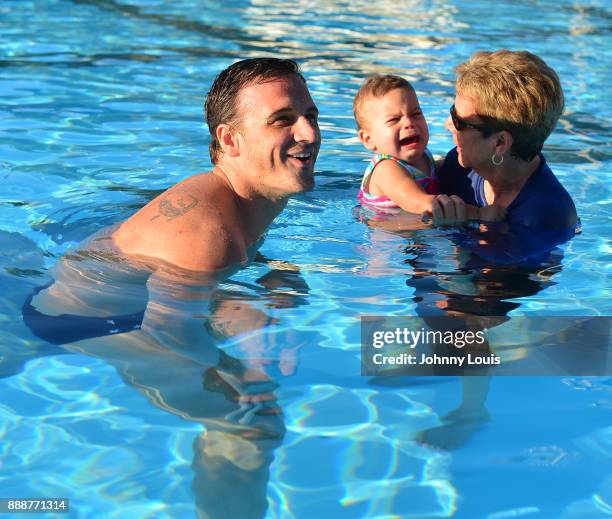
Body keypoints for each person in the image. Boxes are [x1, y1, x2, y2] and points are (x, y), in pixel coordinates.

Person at [433, 50, 577, 235]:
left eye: (459, 121)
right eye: (453, 111)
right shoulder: (463, 163)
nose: (448, 124)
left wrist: (450, 229)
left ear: (500, 142)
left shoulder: (544, 216)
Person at [353, 74, 505, 222]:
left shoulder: (423, 155)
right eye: (394, 120)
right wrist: (479, 213)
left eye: (416, 114)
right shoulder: (386, 170)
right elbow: (424, 204)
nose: (409, 123)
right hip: (393, 242)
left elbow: (435, 170)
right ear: (368, 139)